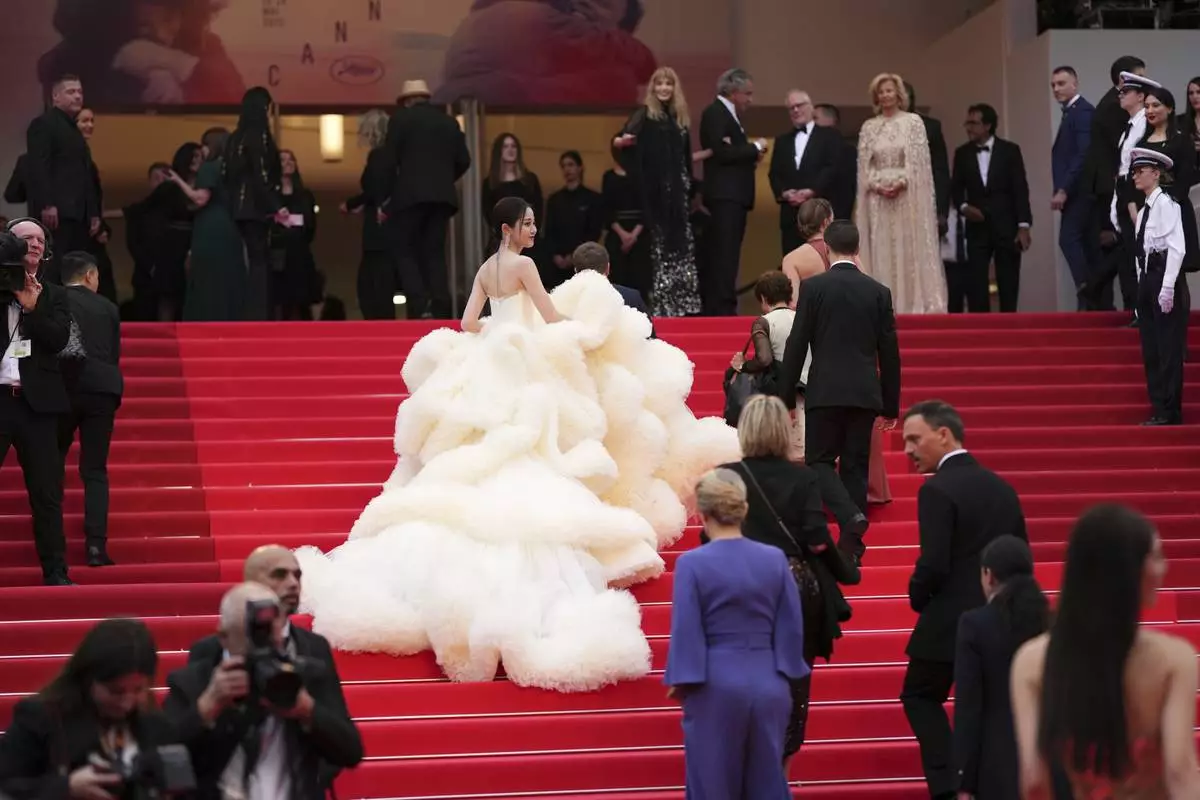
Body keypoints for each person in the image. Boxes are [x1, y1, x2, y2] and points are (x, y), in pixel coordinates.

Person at [294, 197, 739, 692]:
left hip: (488, 367)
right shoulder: (525, 265)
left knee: (488, 451)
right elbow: (550, 318)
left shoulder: (487, 268)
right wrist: (585, 332)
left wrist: (498, 332)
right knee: (528, 449)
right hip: (523, 369)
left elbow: (466, 325)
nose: (533, 229)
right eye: (527, 222)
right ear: (508, 227)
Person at [1011, 505, 1200, 798]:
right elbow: (1180, 770)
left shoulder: (1032, 661)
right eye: (1157, 556)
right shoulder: (1174, 660)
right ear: (1129, 570)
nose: (1164, 567)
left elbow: (1034, 778)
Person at [715, 396, 860, 765]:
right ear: (784, 431)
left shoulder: (726, 477)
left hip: (740, 587)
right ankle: (777, 772)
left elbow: (711, 539)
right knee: (791, 685)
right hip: (792, 588)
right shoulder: (803, 477)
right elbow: (815, 537)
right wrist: (844, 568)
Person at [898, 400, 1027, 800]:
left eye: (914, 439)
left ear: (944, 434)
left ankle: (948, 786)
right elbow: (1020, 552)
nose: (907, 450)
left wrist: (918, 596)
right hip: (1004, 618)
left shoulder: (937, 489)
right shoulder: (1002, 487)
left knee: (919, 695)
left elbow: (933, 563)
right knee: (992, 706)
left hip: (949, 621)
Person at [664, 467, 807, 798]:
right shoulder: (774, 559)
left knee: (712, 784)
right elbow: (791, 625)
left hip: (714, 684)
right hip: (769, 680)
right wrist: (785, 671)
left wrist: (682, 680)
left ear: (702, 513)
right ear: (743, 509)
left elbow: (686, 629)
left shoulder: (693, 564)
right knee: (767, 782)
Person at [164, 582, 363, 800]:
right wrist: (207, 708)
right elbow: (161, 759)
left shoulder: (305, 675)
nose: (263, 646)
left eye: (272, 634)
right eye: (252, 637)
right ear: (223, 637)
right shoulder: (195, 682)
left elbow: (350, 752)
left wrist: (308, 711)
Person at [779, 220, 901, 565]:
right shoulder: (878, 292)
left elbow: (796, 344)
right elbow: (889, 352)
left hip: (825, 390)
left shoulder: (815, 289)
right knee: (855, 467)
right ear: (857, 250)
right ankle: (853, 550)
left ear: (827, 250)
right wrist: (891, 405)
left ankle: (849, 517)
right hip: (864, 392)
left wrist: (786, 396)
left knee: (818, 461)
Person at [0, 618, 177, 798]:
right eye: (115, 691)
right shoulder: (41, 718)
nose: (127, 703)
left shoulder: (154, 723)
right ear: (88, 680)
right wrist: (66, 787)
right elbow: (7, 784)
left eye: (138, 689)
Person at [1, 221, 71, 585]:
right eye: (26, 238)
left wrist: (32, 308)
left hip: (38, 405)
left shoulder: (56, 295)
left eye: (41, 239)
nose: (35, 244)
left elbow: (60, 339)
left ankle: (56, 571)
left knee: (47, 493)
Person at [953, 535, 1049, 800]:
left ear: (989, 575)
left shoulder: (975, 625)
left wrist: (964, 780)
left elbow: (969, 706)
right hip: (1050, 759)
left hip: (996, 765)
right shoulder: (1050, 620)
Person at [613, 66, 703, 317]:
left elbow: (685, 159)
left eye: (669, 84)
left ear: (675, 89)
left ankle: (683, 306)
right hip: (656, 197)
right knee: (660, 250)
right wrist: (620, 142)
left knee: (681, 251)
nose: (664, 88)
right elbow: (622, 141)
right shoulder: (644, 115)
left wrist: (690, 191)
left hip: (679, 196)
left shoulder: (679, 118)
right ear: (652, 88)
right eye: (659, 84)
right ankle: (663, 307)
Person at [855, 73, 946, 314]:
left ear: (899, 94)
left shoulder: (913, 123)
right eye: (881, 91)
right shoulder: (869, 127)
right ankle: (883, 305)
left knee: (907, 246)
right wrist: (877, 184)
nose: (885, 95)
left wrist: (900, 181)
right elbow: (864, 167)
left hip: (906, 196)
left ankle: (910, 304)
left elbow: (919, 163)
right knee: (881, 247)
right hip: (878, 199)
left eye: (889, 90)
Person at [58, 251, 122, 568]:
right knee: (94, 471)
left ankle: (53, 541)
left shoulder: (54, 300)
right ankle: (96, 546)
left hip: (64, 390)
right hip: (103, 389)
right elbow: (113, 352)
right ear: (90, 275)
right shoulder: (109, 307)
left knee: (52, 465)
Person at [387, 80, 472, 319]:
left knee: (404, 249)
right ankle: (440, 305)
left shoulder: (401, 119)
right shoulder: (449, 122)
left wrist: (388, 195)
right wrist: (444, 179)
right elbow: (464, 160)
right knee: (434, 251)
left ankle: (419, 303)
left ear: (407, 101)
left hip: (409, 196)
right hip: (441, 198)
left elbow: (389, 159)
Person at [1127, 147, 1191, 426]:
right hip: (1148, 280)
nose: (1135, 176)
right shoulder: (1143, 212)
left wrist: (1167, 288)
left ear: (1155, 173)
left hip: (1163, 276)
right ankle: (1158, 406)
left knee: (1167, 347)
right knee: (1151, 348)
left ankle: (1170, 409)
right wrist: (1143, 291)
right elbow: (1142, 254)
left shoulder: (1166, 204)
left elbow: (1176, 249)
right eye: (1134, 172)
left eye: (1140, 171)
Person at [950, 103, 1033, 312]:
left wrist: (1024, 226)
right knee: (976, 282)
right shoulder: (962, 153)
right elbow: (956, 188)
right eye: (967, 123)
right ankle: (981, 332)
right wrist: (964, 207)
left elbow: (1020, 189)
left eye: (973, 123)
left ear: (987, 125)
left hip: (1007, 225)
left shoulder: (1010, 151)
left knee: (1008, 281)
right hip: (976, 226)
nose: (968, 127)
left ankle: (1010, 330)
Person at [699, 68, 768, 315]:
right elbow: (721, 151)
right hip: (725, 195)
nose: (750, 99)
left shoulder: (730, 116)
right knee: (723, 254)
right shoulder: (716, 113)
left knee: (729, 253)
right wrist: (754, 147)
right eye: (747, 93)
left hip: (734, 196)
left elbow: (729, 152)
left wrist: (744, 152)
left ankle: (725, 304)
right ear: (732, 91)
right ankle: (721, 307)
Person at [1080, 56, 1146, 313]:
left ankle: (1097, 288)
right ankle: (1106, 292)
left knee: (1125, 245)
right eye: (1140, 77)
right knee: (1126, 245)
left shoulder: (1115, 106)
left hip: (1118, 185)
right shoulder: (1113, 108)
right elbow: (1121, 154)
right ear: (1123, 81)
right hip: (1116, 187)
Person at [24, 74, 98, 285]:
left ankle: (70, 314)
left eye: (80, 92)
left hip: (78, 214)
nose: (77, 96)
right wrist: (48, 204)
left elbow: (85, 175)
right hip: (56, 213)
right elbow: (39, 166)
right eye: (71, 92)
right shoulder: (44, 124)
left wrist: (92, 212)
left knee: (74, 269)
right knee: (54, 267)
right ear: (55, 97)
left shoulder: (75, 130)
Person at [223, 87, 290, 320]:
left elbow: (227, 175)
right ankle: (259, 315)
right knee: (260, 262)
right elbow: (260, 175)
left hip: (237, 208)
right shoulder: (258, 135)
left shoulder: (234, 138)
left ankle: (248, 313)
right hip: (255, 208)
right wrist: (276, 205)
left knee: (248, 262)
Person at [173, 128, 247, 322]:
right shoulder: (234, 169)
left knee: (208, 280)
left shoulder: (210, 167)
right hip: (230, 228)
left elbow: (200, 199)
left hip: (211, 227)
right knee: (228, 279)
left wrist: (177, 180)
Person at [729, 272, 802, 459]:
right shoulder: (803, 318)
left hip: (783, 398)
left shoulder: (764, 322)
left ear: (763, 298)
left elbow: (764, 359)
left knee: (786, 452)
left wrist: (744, 366)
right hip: (812, 393)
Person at [768, 89, 841, 256]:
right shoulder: (782, 141)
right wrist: (784, 193)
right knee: (792, 266)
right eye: (791, 108)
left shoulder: (830, 136)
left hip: (819, 213)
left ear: (811, 108)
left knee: (822, 264)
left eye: (799, 105)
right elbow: (774, 173)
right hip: (790, 217)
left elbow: (832, 168)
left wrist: (811, 191)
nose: (795, 110)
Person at [1049, 66, 1098, 308]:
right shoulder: (1072, 113)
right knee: (1084, 243)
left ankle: (1087, 286)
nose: (1056, 89)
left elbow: (1083, 155)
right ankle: (1088, 298)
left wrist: (1063, 189)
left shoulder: (1083, 112)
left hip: (1081, 192)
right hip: (1077, 192)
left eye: (1061, 83)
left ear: (1075, 84)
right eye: (1053, 85)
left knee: (1068, 239)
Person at [269, 150, 320, 320]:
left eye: (291, 159)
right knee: (278, 301)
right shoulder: (269, 195)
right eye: (283, 160)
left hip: (299, 252)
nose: (288, 162)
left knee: (302, 301)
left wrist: (285, 220)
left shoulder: (304, 195)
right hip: (276, 254)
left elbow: (309, 225)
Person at [544, 151, 604, 291]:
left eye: (571, 165)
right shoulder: (554, 200)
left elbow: (594, 232)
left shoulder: (592, 199)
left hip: (583, 263)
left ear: (580, 167)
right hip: (557, 265)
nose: (567, 169)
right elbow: (549, 231)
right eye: (564, 166)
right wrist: (555, 255)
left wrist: (575, 256)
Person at [571, 241, 655, 337]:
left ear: (576, 271)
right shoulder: (632, 297)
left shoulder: (565, 299)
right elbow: (650, 340)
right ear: (608, 267)